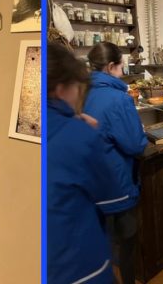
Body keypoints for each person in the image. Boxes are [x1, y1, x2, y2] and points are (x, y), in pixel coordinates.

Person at [48, 43, 123, 284]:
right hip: (83, 266)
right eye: (76, 88)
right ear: (61, 89)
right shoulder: (80, 134)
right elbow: (110, 194)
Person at [82, 42, 148, 284]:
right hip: (116, 185)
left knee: (101, 247)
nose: (123, 71)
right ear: (111, 67)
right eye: (121, 66)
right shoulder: (119, 99)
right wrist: (140, 133)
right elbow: (135, 144)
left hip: (90, 185)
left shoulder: (79, 94)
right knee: (126, 245)